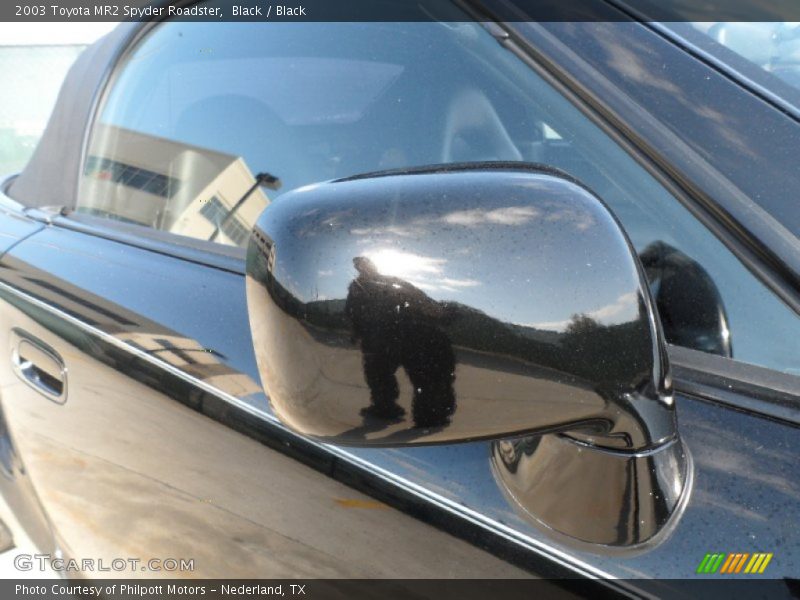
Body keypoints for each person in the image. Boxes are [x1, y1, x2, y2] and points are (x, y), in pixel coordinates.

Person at [345, 256, 456, 428]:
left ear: (373, 264)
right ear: (357, 268)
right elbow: (351, 311)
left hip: (403, 336)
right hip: (374, 338)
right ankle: (385, 406)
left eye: (366, 263)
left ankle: (430, 415)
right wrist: (356, 333)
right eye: (359, 265)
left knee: (423, 376)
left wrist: (438, 312)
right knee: (377, 374)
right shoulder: (356, 287)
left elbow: (417, 296)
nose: (363, 267)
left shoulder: (391, 281)